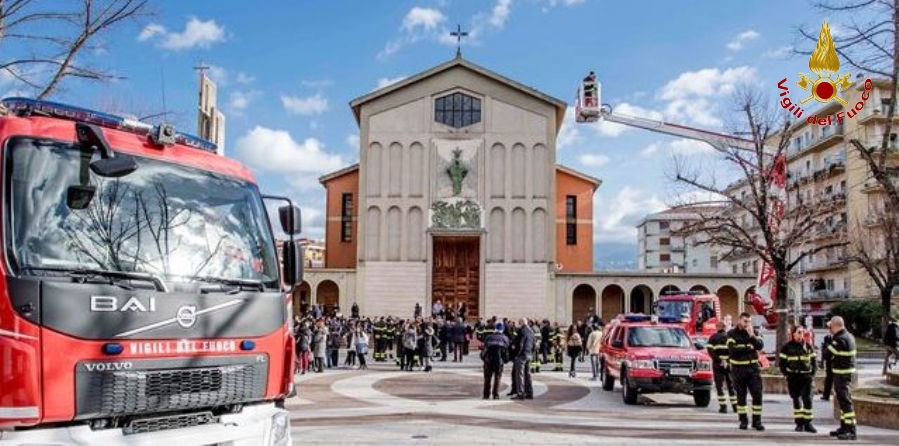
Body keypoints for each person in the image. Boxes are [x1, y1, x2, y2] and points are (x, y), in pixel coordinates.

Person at [727, 312, 765, 431]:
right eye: (745, 321)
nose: (747, 324)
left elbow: (759, 346)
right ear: (739, 320)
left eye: (749, 322)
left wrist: (752, 336)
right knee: (741, 396)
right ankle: (743, 420)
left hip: (753, 369)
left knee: (757, 395)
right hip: (738, 369)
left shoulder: (754, 332)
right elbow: (733, 351)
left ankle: (757, 421)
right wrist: (748, 347)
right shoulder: (731, 334)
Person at [779, 324, 818, 433]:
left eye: (802, 332)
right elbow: (782, 364)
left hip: (806, 377)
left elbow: (814, 362)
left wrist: (812, 374)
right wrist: (787, 374)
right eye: (799, 332)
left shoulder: (809, 347)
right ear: (793, 334)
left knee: (808, 400)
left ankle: (808, 423)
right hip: (794, 377)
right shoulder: (786, 347)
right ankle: (799, 423)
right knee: (796, 400)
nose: (801, 335)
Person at [827, 316, 857, 440]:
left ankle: (851, 430)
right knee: (843, 402)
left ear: (835, 326)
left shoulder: (839, 340)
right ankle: (844, 427)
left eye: (830, 327)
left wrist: (828, 344)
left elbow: (827, 354)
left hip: (842, 375)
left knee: (845, 402)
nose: (829, 329)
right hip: (845, 374)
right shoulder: (849, 336)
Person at [706, 321, 737, 413]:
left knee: (719, 386)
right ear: (724, 327)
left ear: (717, 327)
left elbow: (710, 351)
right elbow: (733, 350)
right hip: (728, 364)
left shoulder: (713, 337)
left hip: (717, 364)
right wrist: (727, 360)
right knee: (731, 385)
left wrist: (719, 359)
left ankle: (723, 407)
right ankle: (735, 406)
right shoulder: (729, 337)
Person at [481, 322, 510, 400]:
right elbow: (506, 351)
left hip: (488, 361)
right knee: (497, 379)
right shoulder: (505, 338)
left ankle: (486, 395)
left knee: (487, 379)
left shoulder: (488, 337)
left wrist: (484, 359)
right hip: (499, 362)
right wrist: (505, 360)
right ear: (502, 330)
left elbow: (484, 349)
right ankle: (495, 395)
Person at [512, 317, 535, 400]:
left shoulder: (522, 331)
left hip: (522, 355)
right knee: (528, 374)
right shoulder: (531, 331)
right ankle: (529, 392)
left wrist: (517, 354)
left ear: (521, 323)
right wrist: (532, 353)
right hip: (529, 354)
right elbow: (534, 344)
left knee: (519, 374)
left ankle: (520, 393)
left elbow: (520, 344)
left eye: (519, 323)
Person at [821, 328, 834, 401]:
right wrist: (823, 361)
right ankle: (826, 395)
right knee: (828, 379)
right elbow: (824, 349)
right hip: (829, 362)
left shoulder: (837, 338)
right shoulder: (827, 338)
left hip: (836, 362)